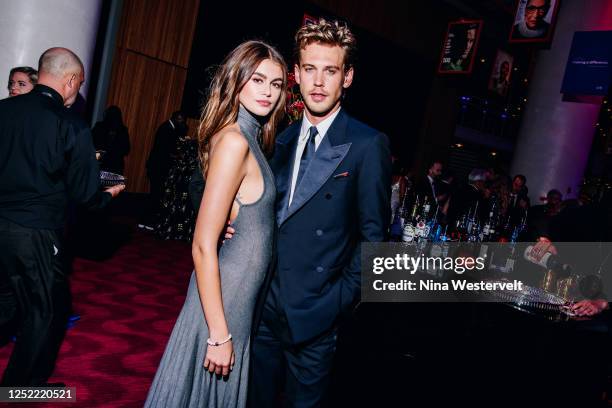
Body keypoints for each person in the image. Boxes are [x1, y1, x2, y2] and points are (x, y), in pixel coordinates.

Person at [248, 19, 391, 408]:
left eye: (331, 71)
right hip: (264, 308)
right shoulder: (280, 139)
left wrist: (336, 302)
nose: (318, 82)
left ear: (347, 77)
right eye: (310, 69)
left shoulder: (366, 144)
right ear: (295, 74)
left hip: (317, 315)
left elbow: (374, 240)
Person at [145, 40, 287, 407]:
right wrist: (219, 334)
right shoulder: (235, 142)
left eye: (276, 83)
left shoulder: (251, 138)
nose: (268, 92)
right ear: (237, 81)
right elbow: (201, 245)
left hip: (236, 297)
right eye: (257, 80)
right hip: (223, 302)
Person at [0, 47, 124, 386]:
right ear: (69, 81)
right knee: (44, 313)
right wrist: (109, 196)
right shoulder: (70, 125)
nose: (77, 91)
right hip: (35, 234)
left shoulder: (3, 110)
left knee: (7, 301)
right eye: (79, 83)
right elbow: (87, 197)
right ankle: (19, 390)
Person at [142, 111, 188, 230]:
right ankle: (148, 221)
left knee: (155, 194)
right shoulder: (166, 129)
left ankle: (147, 220)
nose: (183, 123)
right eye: (181, 120)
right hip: (157, 167)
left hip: (157, 166)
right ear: (175, 119)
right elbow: (164, 150)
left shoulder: (169, 128)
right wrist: (176, 156)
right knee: (156, 194)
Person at [92, 105, 130, 174]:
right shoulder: (122, 130)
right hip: (115, 168)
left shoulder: (99, 127)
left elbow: (92, 144)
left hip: (101, 165)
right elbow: (127, 150)